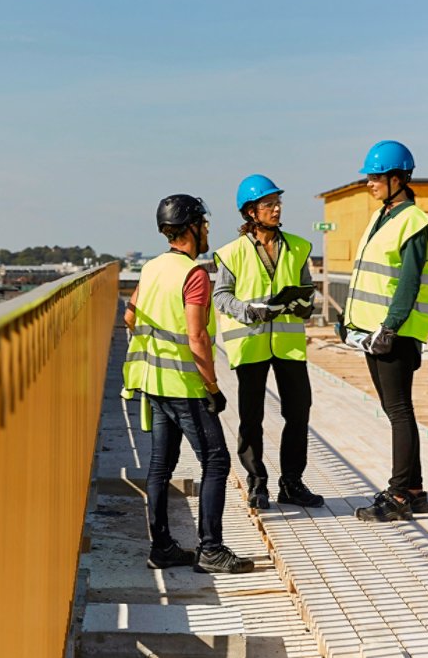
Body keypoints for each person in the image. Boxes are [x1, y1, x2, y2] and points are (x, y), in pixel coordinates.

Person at [122, 194, 254, 575]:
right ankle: (211, 549)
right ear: (192, 228)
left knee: (160, 465)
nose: (208, 229)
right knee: (216, 461)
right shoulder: (193, 274)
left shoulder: (151, 269)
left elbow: (130, 316)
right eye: (204, 223)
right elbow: (197, 337)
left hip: (153, 381)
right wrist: (213, 387)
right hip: (185, 384)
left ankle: (161, 547)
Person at [340, 140, 428, 523]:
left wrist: (389, 327)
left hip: (394, 333)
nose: (369, 183)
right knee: (395, 409)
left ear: (397, 178)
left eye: (376, 177)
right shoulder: (383, 216)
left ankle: (399, 494)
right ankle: (414, 491)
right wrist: (350, 322)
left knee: (399, 411)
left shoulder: (414, 223)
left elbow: (408, 284)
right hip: (373, 331)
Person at [213, 174, 323, 512]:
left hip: (288, 345)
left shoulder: (299, 246)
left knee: (299, 411)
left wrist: (305, 305)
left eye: (278, 203)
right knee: (251, 417)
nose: (276, 209)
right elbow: (221, 296)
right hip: (250, 343)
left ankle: (291, 483)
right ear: (250, 212)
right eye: (268, 204)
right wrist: (248, 310)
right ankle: (256, 483)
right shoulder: (232, 253)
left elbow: (307, 291)